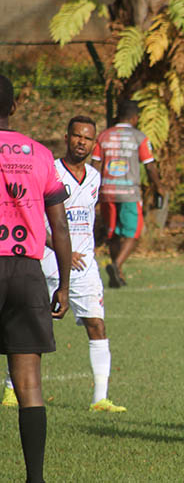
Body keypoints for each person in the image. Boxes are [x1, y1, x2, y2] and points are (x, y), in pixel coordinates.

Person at [4, 116, 126, 413]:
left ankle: (100, 399)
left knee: (97, 324)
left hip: (85, 267)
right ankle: (10, 390)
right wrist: (61, 249)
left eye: (87, 138)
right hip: (46, 263)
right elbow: (35, 218)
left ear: (94, 143)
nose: (81, 142)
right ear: (67, 137)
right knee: (23, 328)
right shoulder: (49, 168)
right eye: (76, 136)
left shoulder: (95, 177)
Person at [0, 74, 72, 483]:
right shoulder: (40, 154)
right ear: (13, 107)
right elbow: (59, 226)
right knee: (29, 383)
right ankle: (35, 478)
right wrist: (63, 284)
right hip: (28, 271)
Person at [91, 99, 163, 287]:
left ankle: (118, 274)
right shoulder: (139, 137)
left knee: (113, 233)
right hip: (129, 192)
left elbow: (95, 164)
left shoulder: (104, 136)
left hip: (107, 191)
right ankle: (116, 265)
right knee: (133, 232)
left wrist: (92, 189)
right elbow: (150, 166)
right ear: (135, 118)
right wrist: (159, 187)